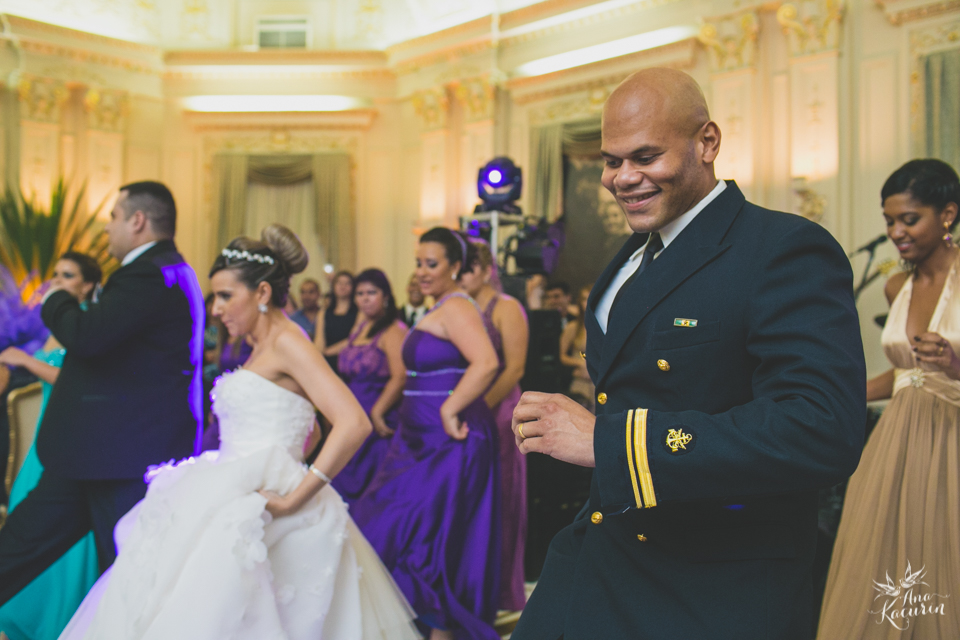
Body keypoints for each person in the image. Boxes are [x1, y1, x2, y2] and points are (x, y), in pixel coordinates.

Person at [508, 68, 866, 640]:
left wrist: (608, 441)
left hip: (714, 581)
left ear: (708, 143)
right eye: (611, 160)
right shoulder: (625, 261)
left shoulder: (782, 249)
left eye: (645, 157)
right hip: (604, 556)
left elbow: (821, 429)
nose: (623, 178)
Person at [57, 224, 420, 640]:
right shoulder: (264, 347)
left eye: (226, 296)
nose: (215, 308)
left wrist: (294, 495)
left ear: (262, 293)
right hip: (238, 481)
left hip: (270, 501)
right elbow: (313, 430)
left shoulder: (288, 342)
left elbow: (352, 422)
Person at [0, 181, 206, 608]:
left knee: (125, 575)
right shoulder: (170, 270)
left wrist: (56, 299)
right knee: (26, 549)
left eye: (113, 217)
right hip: (100, 456)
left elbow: (87, 337)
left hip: (116, 458)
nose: (107, 226)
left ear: (138, 220)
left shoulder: (147, 275)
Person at [818, 159, 960, 639]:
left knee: (943, 555)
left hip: (951, 439)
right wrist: (839, 395)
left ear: (947, 214)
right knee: (887, 560)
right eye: (889, 221)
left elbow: (940, 372)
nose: (896, 232)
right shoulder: (896, 284)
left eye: (909, 219)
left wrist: (955, 363)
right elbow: (907, 373)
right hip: (896, 443)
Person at [352, 227, 502, 640]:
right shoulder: (441, 307)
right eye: (418, 262)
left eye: (430, 264)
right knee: (405, 529)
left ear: (456, 266)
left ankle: (441, 630)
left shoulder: (457, 307)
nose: (420, 271)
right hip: (416, 436)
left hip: (447, 439)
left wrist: (450, 408)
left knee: (431, 535)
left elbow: (486, 364)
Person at [0, 252, 101, 640]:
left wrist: (25, 359)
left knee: (59, 533)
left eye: (68, 275)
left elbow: (73, 379)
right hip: (44, 438)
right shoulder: (54, 323)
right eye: (56, 273)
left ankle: (58, 623)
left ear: (87, 285)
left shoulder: (87, 328)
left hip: (71, 441)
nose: (57, 280)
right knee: (26, 526)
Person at [460, 238, 530, 613]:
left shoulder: (506, 307)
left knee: (501, 497)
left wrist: (479, 409)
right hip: (469, 410)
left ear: (486, 269)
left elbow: (515, 368)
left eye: (468, 268)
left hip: (500, 413)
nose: (462, 276)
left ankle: (501, 591)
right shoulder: (460, 307)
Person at [330, 268, 406, 502]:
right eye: (360, 293)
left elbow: (401, 376)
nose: (364, 298)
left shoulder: (394, 330)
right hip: (351, 414)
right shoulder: (359, 328)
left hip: (378, 416)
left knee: (372, 490)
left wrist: (377, 411)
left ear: (385, 296)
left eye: (371, 292)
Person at [558, 284, 594, 411]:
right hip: (580, 381)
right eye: (584, 299)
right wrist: (580, 363)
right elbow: (561, 356)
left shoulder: (605, 327)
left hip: (597, 381)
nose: (587, 302)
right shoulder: (573, 327)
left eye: (590, 297)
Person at [315, 270, 358, 375]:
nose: (343, 286)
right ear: (333, 286)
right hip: (326, 363)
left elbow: (354, 338)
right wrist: (320, 355)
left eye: (347, 283)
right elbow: (319, 340)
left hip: (349, 361)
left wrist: (327, 352)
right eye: (339, 283)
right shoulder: (323, 313)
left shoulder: (359, 312)